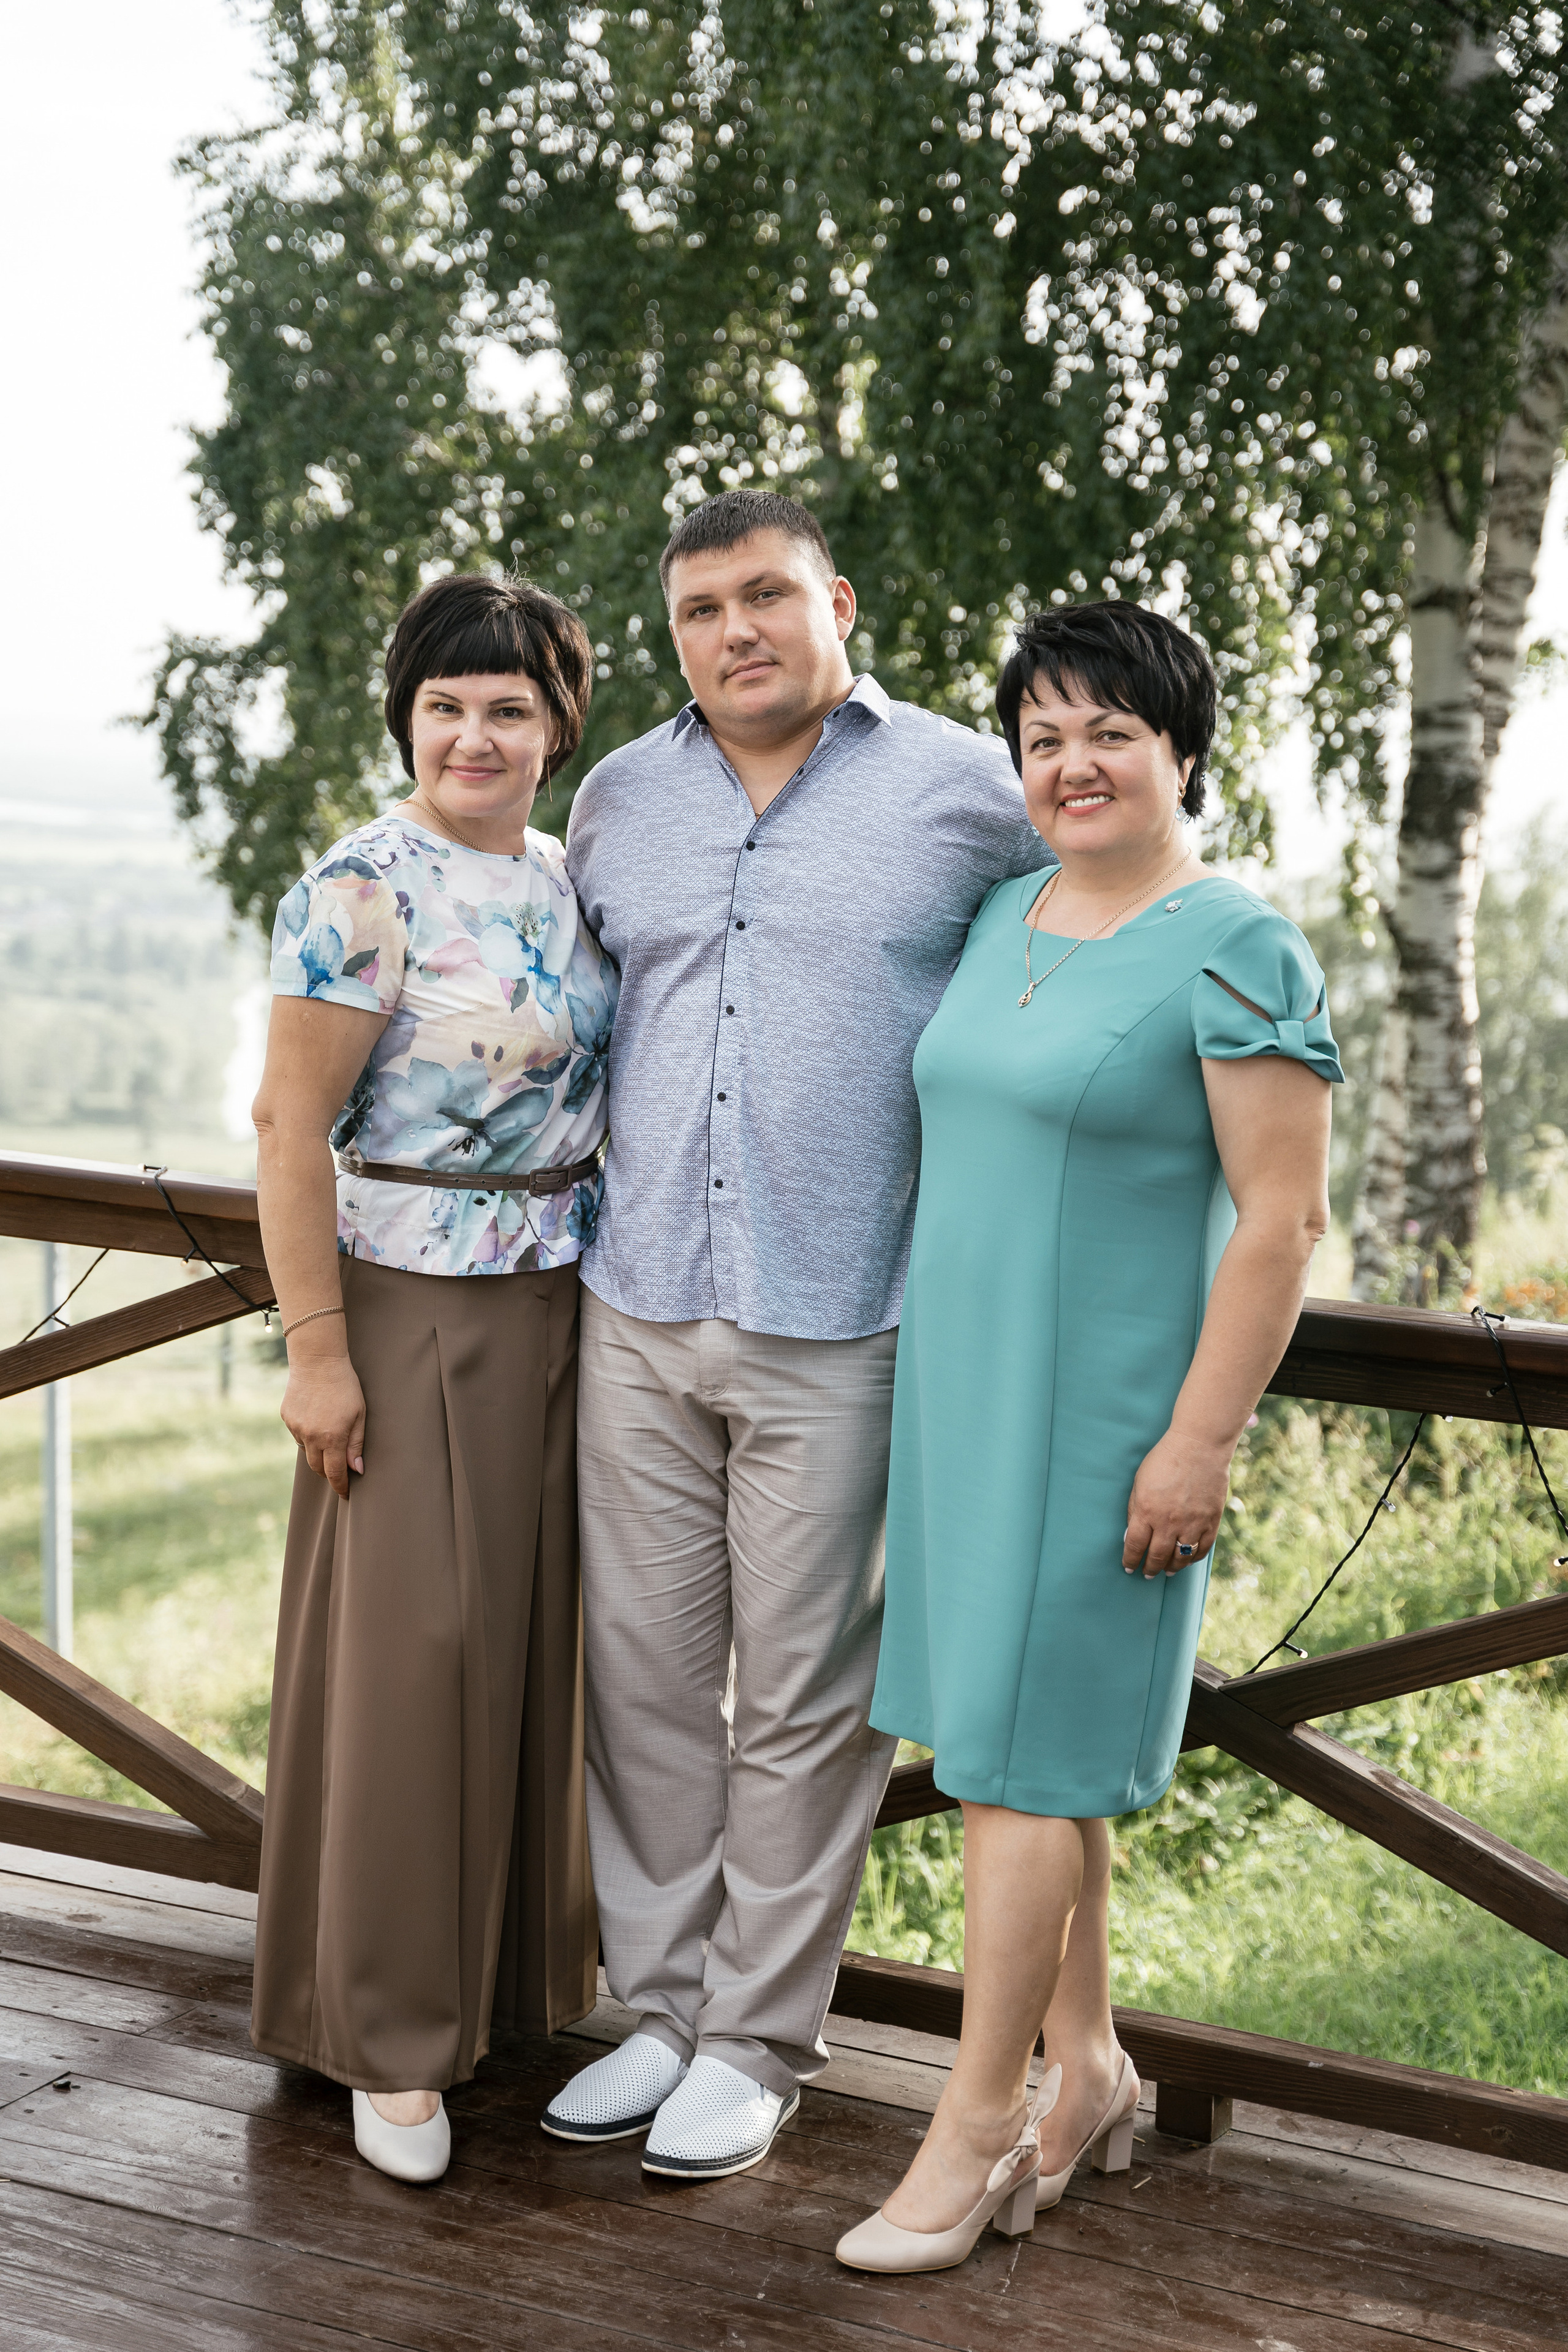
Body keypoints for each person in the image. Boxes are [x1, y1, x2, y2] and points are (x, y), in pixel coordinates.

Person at [540, 487, 1046, 2179]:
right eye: (699, 611)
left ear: (841, 601)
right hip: (636, 1303)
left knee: (810, 1703)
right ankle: (664, 2013)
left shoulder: (969, 789)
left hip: (848, 1315)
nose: (735, 632)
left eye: (766, 597)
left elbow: (1105, 924)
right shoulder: (618, 801)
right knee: (652, 1685)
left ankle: (758, 2040)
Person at [834, 601, 1342, 2273]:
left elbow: (1280, 1223)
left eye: (1110, 729)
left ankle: (974, 2131)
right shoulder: (1000, 913)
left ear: (1181, 751)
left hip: (1114, 1422)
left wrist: (1200, 1444)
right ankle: (1090, 2066)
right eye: (1044, 735)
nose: (1074, 762)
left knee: (1019, 1772)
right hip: (965, 1403)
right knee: (1011, 1754)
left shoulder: (1238, 945)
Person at [249, 571, 616, 2184]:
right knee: (416, 1663)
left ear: (557, 728)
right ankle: (387, 2039)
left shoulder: (564, 872)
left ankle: (511, 1993)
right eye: (446, 704)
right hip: (407, 1309)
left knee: (539, 1653)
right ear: (407, 715)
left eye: (510, 706)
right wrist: (318, 1350)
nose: (475, 733)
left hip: (568, 1305)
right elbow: (285, 1126)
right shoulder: (362, 885)